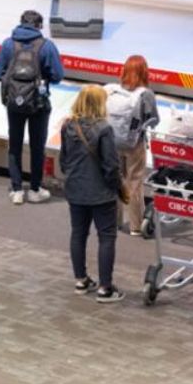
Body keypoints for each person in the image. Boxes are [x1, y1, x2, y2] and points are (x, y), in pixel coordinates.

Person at [60, 85, 125, 303]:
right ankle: (105, 288)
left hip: (75, 189)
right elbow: (110, 165)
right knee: (106, 237)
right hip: (101, 193)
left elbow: (64, 159)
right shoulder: (104, 129)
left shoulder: (68, 125)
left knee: (78, 233)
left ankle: (81, 280)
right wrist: (117, 187)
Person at [0, 9, 64, 205]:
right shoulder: (47, 46)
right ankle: (34, 189)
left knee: (14, 145)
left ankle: (16, 190)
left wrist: (16, 85)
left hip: (14, 102)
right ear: (39, 26)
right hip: (38, 103)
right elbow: (58, 75)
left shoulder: (9, 44)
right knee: (37, 146)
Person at [106, 55, 160, 236]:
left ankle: (114, 221)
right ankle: (136, 226)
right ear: (145, 72)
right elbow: (155, 121)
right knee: (134, 182)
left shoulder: (113, 91)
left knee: (116, 180)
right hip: (133, 144)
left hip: (112, 142)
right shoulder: (146, 94)